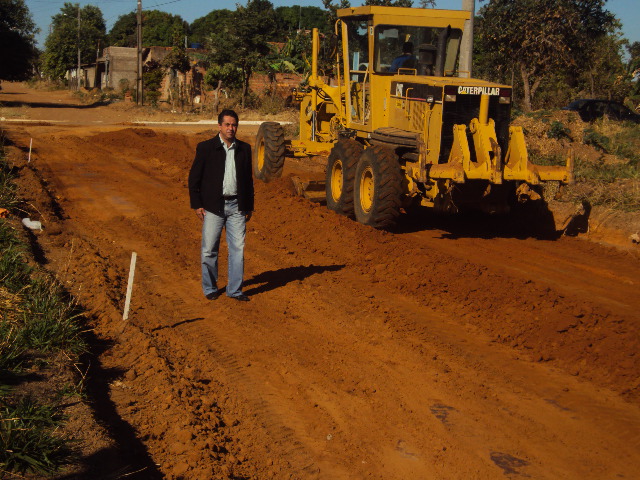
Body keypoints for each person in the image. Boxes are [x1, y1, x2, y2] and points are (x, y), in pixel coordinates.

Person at [188, 109, 254, 302]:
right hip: (212, 206)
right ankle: (210, 288)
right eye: (227, 124)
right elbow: (194, 178)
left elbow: (247, 180)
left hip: (237, 207)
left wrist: (248, 205)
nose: (230, 128)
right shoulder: (206, 148)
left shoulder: (244, 149)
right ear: (219, 126)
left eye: (234, 125)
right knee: (209, 249)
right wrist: (197, 204)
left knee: (238, 249)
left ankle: (234, 290)